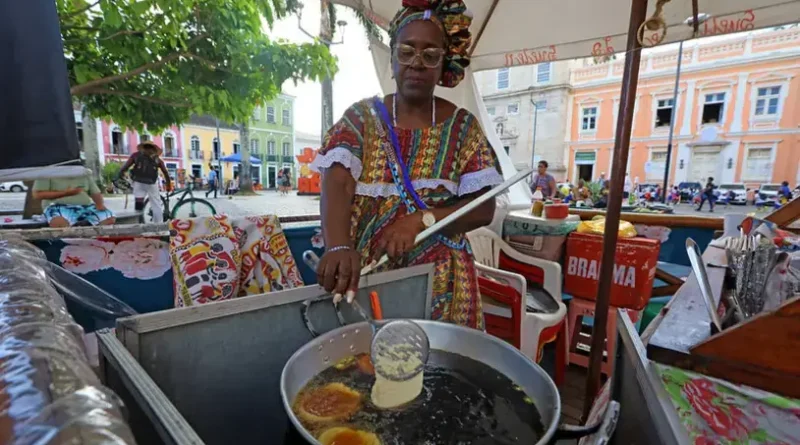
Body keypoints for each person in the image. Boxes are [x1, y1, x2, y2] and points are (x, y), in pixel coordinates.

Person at [310, 0, 503, 329]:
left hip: (446, 285)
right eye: (406, 51)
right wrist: (339, 245)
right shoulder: (360, 119)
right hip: (369, 281)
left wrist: (421, 220)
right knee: (365, 368)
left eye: (430, 55)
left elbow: (484, 209)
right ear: (393, 58)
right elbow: (337, 181)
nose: (417, 63)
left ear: (444, 64)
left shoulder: (462, 127)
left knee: (442, 367)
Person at [33, 173, 115, 227]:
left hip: (84, 207)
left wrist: (100, 205)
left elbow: (95, 192)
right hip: (57, 207)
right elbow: (37, 195)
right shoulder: (46, 172)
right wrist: (65, 193)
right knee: (58, 221)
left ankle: (93, 238)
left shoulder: (83, 172)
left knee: (109, 216)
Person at [119, 141, 172, 222]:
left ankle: (139, 223)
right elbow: (165, 172)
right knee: (156, 204)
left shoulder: (135, 155)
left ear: (143, 147)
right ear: (154, 149)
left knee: (139, 203)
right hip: (151, 183)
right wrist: (168, 184)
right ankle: (158, 225)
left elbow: (125, 167)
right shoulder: (157, 159)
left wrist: (121, 174)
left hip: (138, 182)